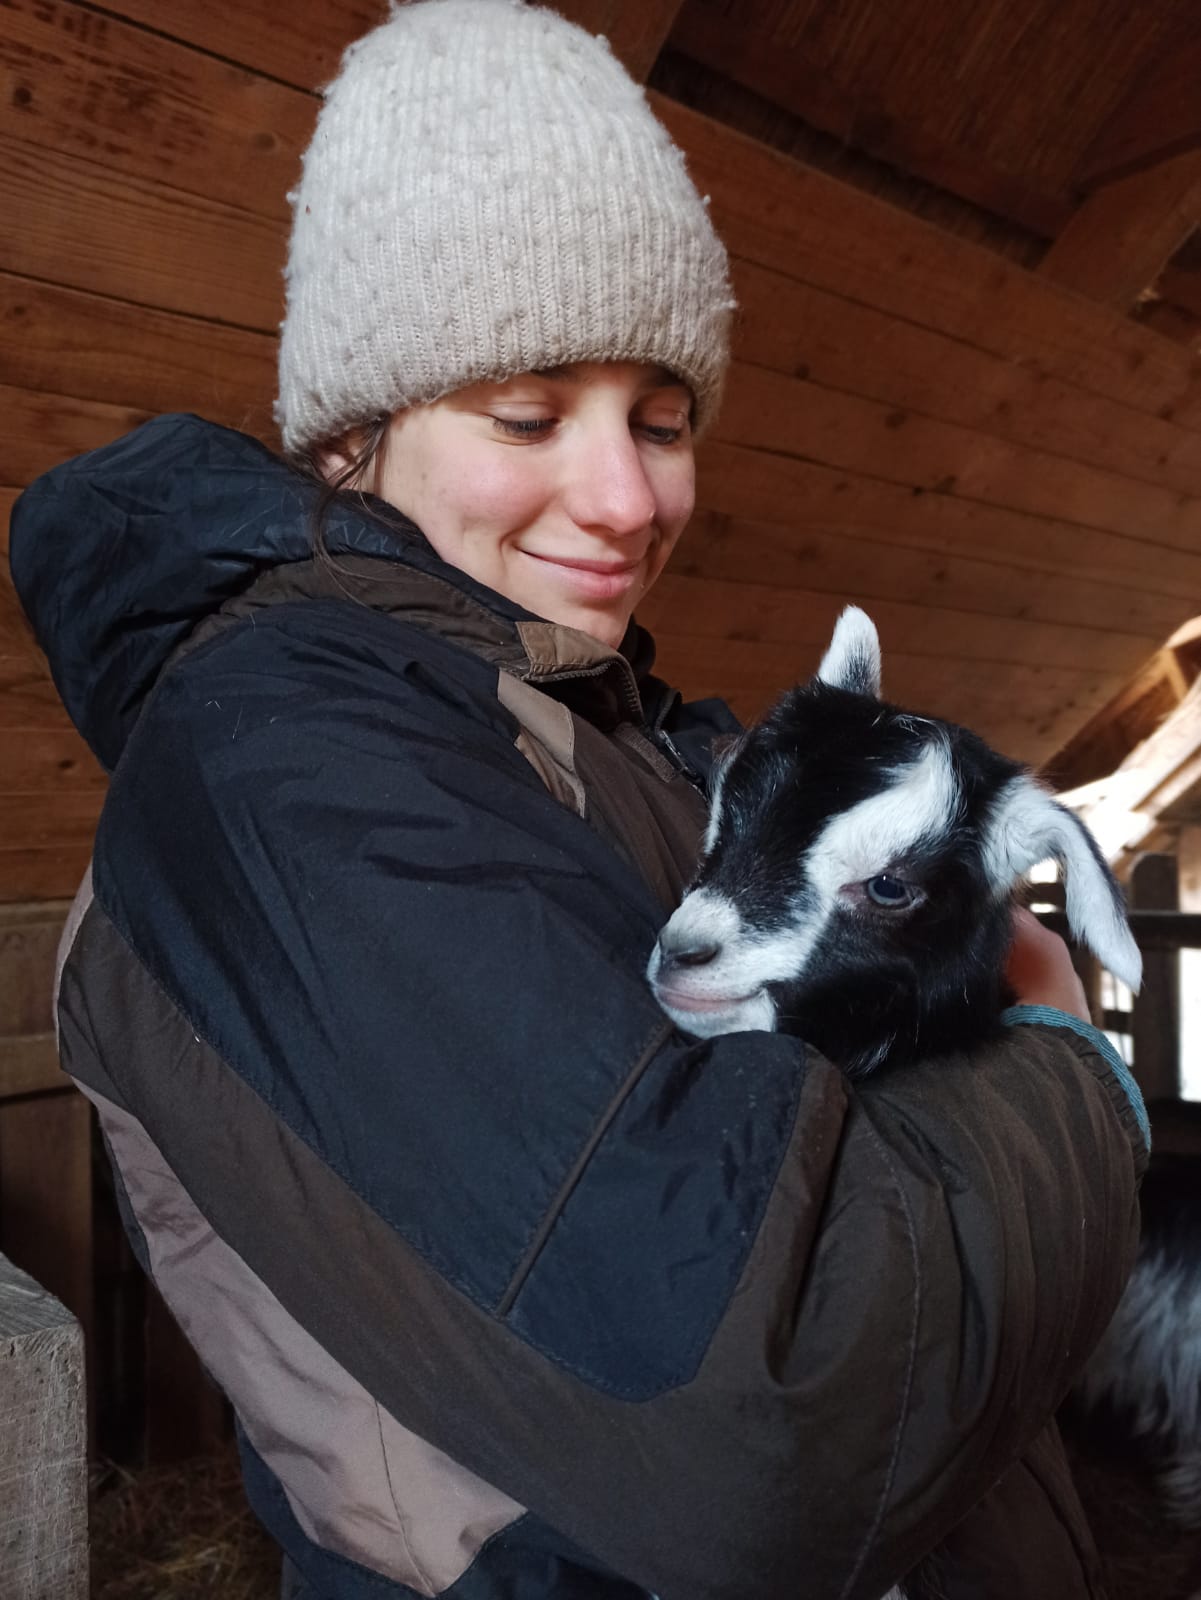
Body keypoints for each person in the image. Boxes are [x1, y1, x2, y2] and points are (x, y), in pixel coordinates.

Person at [9, 3, 1147, 1597]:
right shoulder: (286, 767)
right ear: (349, 438)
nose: (626, 498)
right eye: (528, 415)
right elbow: (785, 1404)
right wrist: (1059, 1052)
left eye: (661, 422)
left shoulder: (597, 723)